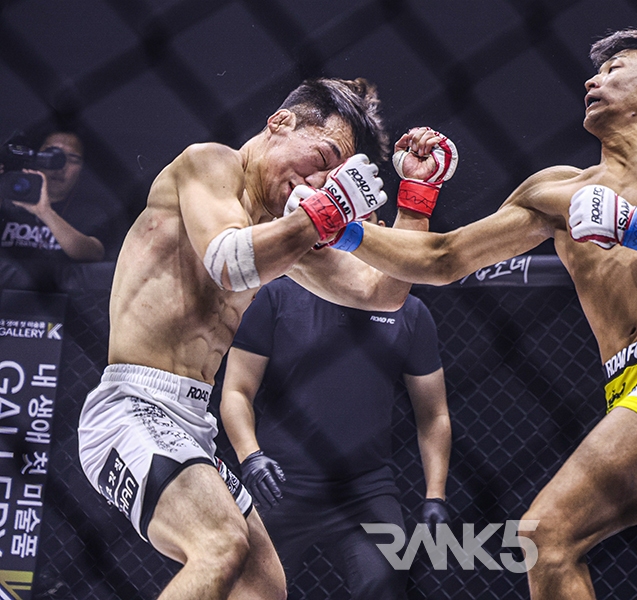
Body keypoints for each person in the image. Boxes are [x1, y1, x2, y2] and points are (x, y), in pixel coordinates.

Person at [345, 29, 637, 599]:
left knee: (546, 537)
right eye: (595, 71)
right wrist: (339, 225)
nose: (593, 79)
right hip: (628, 392)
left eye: (615, 69)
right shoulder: (557, 191)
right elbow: (442, 259)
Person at [76, 74, 457, 600]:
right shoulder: (209, 164)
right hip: (132, 405)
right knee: (220, 545)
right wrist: (327, 210)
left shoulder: (286, 229)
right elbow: (229, 261)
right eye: (321, 159)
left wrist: (415, 198)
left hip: (192, 422)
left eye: (335, 177)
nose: (320, 181)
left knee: (262, 586)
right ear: (280, 123)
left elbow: (382, 292)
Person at [219, 212, 451, 597]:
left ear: (379, 231)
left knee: (387, 583)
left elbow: (434, 414)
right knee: (248, 588)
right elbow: (236, 390)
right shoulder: (278, 295)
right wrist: (250, 456)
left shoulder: (409, 312)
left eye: (361, 223)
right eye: (341, 222)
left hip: (366, 487)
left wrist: (435, 494)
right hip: (281, 483)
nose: (348, 234)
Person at [0, 129, 108, 289]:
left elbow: (94, 254)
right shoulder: (6, 202)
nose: (60, 166)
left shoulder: (90, 213)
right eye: (50, 155)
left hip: (62, 297)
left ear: (82, 168)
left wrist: (45, 212)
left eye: (72, 159)